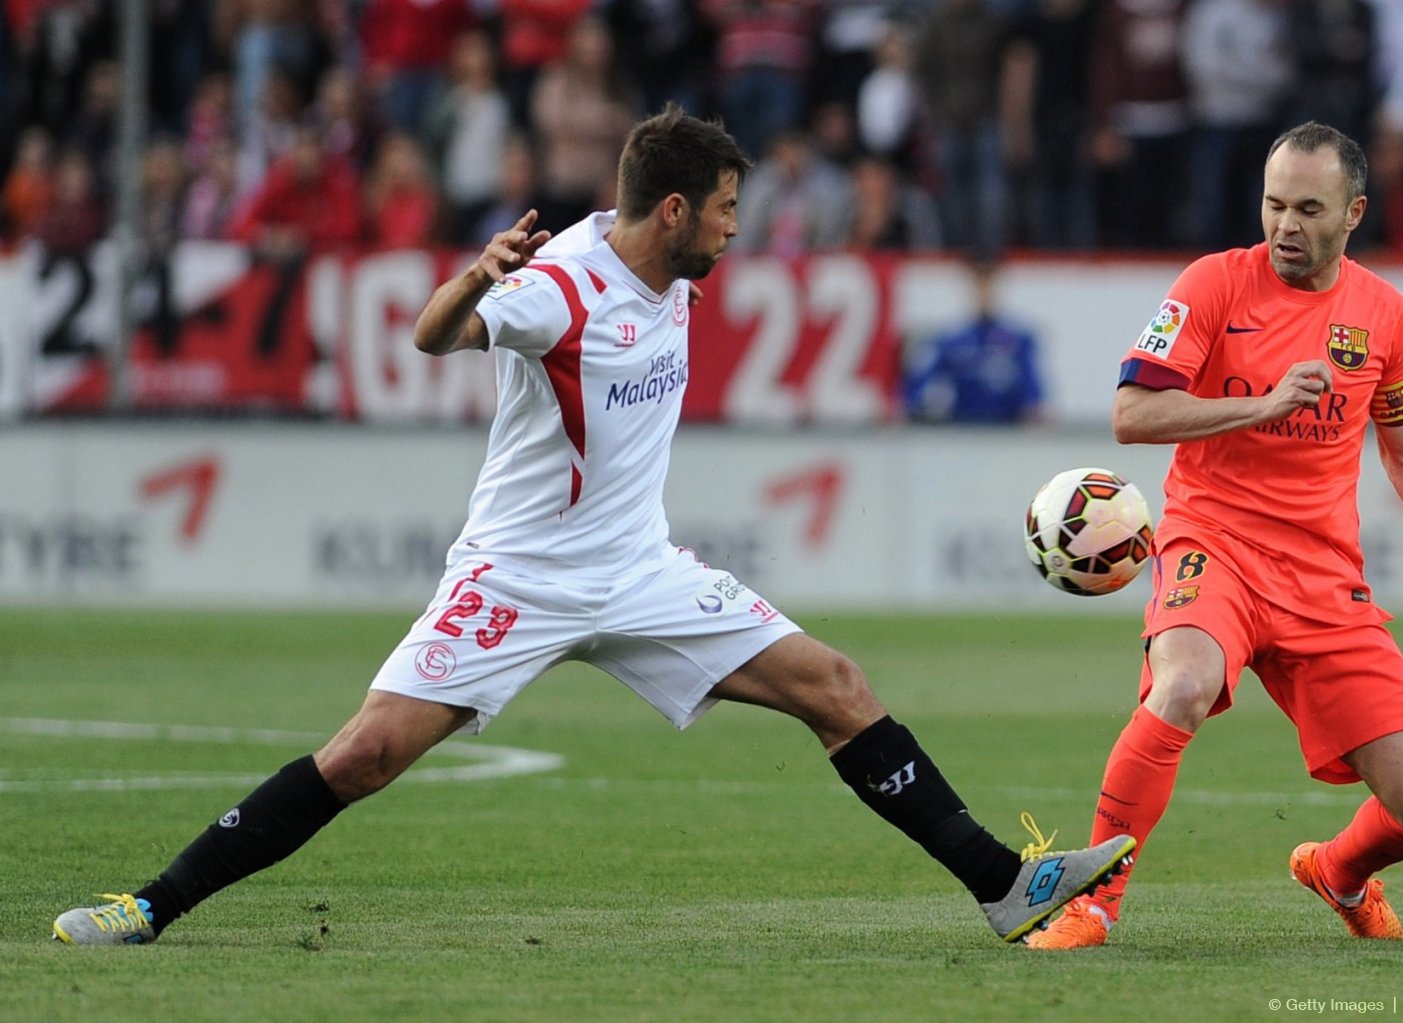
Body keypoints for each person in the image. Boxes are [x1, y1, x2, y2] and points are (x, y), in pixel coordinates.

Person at [52, 107, 1134, 948]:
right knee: (365, 754)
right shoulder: (559, 287)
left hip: (638, 571)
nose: (732, 227)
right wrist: (473, 277)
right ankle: (149, 907)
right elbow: (436, 339)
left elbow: (656, 296)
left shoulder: (666, 272)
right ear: (670, 210)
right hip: (517, 576)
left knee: (837, 689)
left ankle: (1003, 885)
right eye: (721, 208)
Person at [1026, 121, 1403, 951]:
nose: (1285, 226)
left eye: (1308, 208)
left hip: (1323, 578)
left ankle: (1336, 871)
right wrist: (1261, 402)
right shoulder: (1210, 285)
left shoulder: (1386, 319)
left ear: (1353, 213)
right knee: (1183, 683)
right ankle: (1090, 902)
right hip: (1214, 543)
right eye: (1273, 204)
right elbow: (1130, 413)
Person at [901, 258, 1043, 423]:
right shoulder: (951, 341)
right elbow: (919, 382)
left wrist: (1034, 411)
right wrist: (907, 406)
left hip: (1007, 432)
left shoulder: (1019, 340)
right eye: (979, 287)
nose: (984, 293)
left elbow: (1033, 389)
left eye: (988, 286)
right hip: (964, 432)